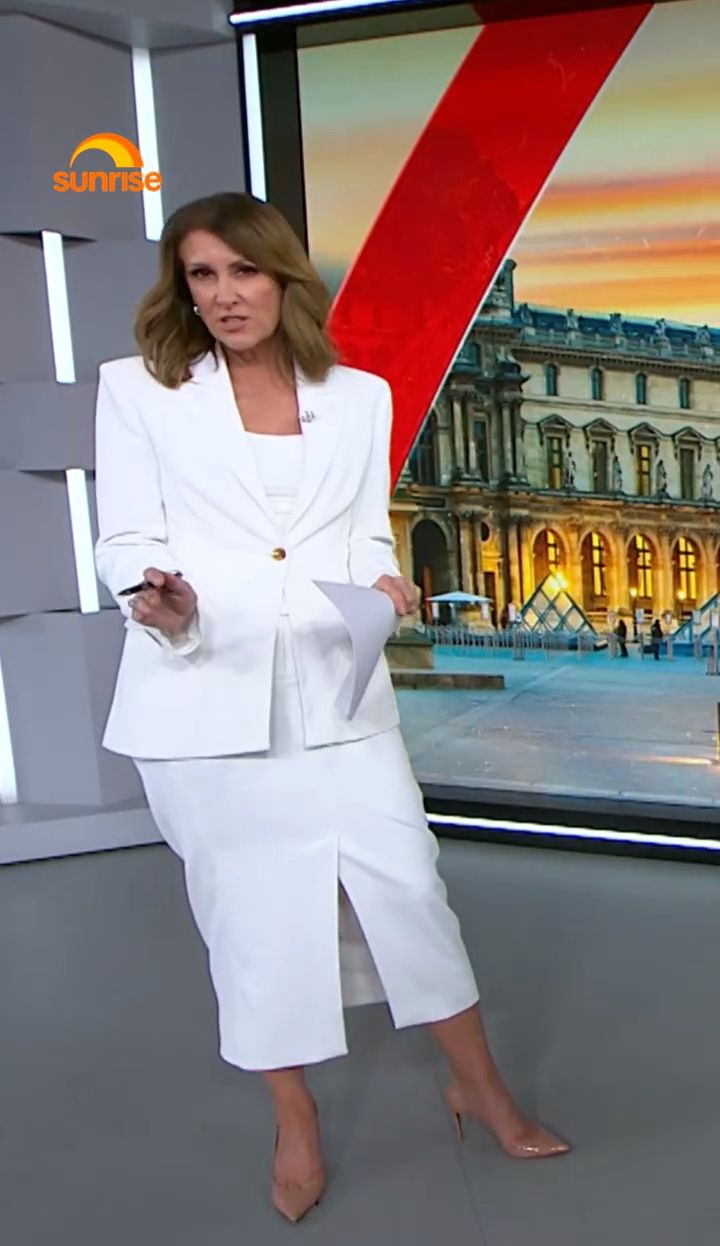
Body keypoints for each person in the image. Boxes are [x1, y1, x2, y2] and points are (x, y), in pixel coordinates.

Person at [93, 192, 569, 1225]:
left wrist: (383, 584)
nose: (225, 294)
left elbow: (363, 537)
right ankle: (295, 1117)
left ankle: (481, 1089)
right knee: (252, 918)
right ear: (183, 288)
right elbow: (124, 537)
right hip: (203, 701)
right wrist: (157, 600)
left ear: (285, 280)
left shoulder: (359, 397)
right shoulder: (138, 390)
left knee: (410, 889)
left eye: (245, 272)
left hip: (336, 688)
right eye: (203, 275)